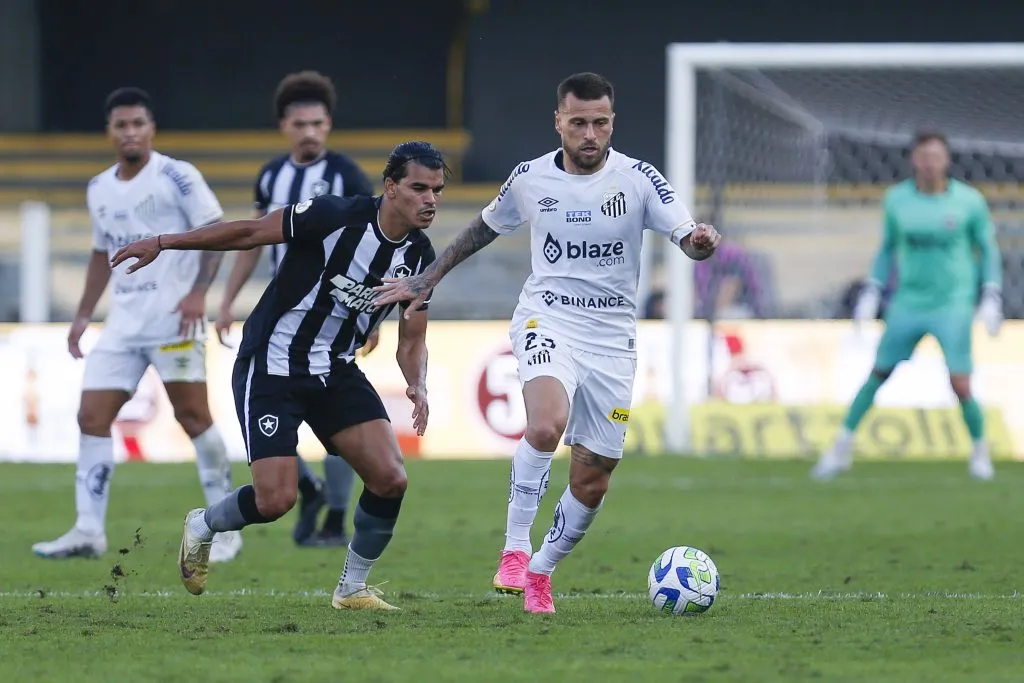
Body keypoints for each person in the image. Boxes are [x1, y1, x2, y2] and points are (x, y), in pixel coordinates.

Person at [374, 73, 721, 613]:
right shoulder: (530, 178)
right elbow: (483, 229)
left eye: (600, 123)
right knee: (544, 423)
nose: (589, 133)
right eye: (578, 122)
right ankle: (515, 547)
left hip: (612, 340)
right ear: (558, 120)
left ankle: (541, 571)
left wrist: (700, 242)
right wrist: (429, 277)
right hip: (548, 318)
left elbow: (688, 237)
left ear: (612, 123)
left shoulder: (639, 179)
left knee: (594, 478)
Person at [111, 141, 443, 610]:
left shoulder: (422, 258)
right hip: (273, 364)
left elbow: (412, 339)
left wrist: (417, 382)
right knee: (275, 500)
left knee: (391, 478)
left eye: (438, 190)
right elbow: (248, 232)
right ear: (391, 187)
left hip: (336, 370)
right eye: (419, 188)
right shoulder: (333, 216)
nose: (430, 199)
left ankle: (352, 589)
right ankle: (204, 524)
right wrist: (164, 242)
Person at [32, 87, 240, 563]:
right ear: (110, 132)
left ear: (151, 129)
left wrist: (197, 293)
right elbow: (101, 254)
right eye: (121, 125)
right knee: (91, 418)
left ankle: (226, 527)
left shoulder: (177, 176)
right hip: (122, 325)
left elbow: (217, 232)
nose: (130, 132)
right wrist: (83, 313)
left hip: (174, 320)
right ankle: (87, 530)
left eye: (138, 124)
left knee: (193, 418)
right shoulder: (99, 187)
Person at [215, 70, 374, 548]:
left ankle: (334, 517)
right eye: (300, 123)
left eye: (318, 123)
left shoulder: (346, 174)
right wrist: (226, 300)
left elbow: (370, 242)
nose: (309, 132)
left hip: (335, 318)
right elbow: (251, 240)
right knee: (264, 414)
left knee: (341, 414)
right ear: (285, 125)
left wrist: (370, 317)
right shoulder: (271, 174)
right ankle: (308, 487)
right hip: (279, 317)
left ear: (328, 125)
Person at [811, 131, 1003, 481]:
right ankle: (840, 448)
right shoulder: (897, 200)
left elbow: (987, 249)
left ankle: (980, 451)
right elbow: (887, 249)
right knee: (878, 374)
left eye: (936, 156)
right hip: (908, 301)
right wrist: (872, 290)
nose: (929, 163)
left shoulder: (969, 201)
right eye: (923, 156)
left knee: (960, 383)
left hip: (953, 302)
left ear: (946, 160)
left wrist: (991, 292)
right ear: (914, 160)